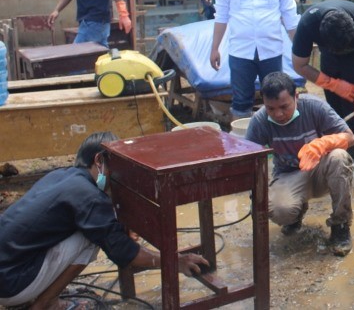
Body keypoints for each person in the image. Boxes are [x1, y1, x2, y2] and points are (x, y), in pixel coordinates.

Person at [0, 132, 208, 310]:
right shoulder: (88, 196)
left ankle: (45, 299)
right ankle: (43, 305)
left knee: (90, 231)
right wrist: (175, 262)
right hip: (11, 284)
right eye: (117, 166)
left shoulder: (61, 176)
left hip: (7, 267)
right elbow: (124, 253)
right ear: (99, 160)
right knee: (89, 238)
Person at [246, 72, 354, 256]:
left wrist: (323, 144)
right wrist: (255, 193)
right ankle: (294, 216)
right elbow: (248, 157)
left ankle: (341, 225)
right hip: (289, 175)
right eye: (270, 108)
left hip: (321, 170)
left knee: (339, 157)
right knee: (279, 210)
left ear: (296, 96)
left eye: (284, 106)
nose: (278, 114)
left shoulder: (314, 106)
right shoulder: (260, 120)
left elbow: (350, 137)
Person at [291, 0, 354, 177]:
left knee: (353, 105)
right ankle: (336, 146)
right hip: (329, 55)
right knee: (334, 107)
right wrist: (332, 84)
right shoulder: (308, 24)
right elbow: (299, 65)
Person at [210, 0, 299, 119]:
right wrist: (214, 48)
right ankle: (245, 144)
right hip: (240, 52)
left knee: (276, 97)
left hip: (271, 50)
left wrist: (299, 49)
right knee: (241, 101)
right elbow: (221, 17)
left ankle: (278, 141)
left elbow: (289, 15)